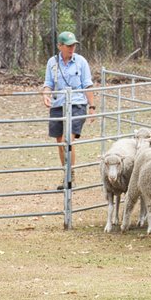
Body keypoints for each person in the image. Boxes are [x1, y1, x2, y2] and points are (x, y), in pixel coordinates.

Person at [42, 31, 96, 190]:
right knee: (60, 141)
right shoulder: (52, 62)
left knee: (68, 140)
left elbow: (87, 84)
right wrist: (45, 94)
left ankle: (70, 175)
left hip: (77, 104)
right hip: (58, 104)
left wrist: (91, 106)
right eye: (68, 45)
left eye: (74, 45)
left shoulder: (81, 62)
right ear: (60, 46)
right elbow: (48, 83)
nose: (72, 48)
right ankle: (66, 172)